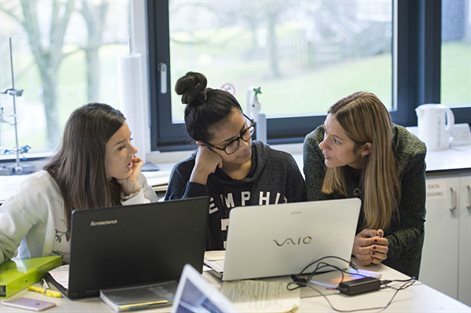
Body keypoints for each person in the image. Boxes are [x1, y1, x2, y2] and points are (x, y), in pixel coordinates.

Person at [0, 103, 158, 264]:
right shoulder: (39, 189)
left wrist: (133, 193)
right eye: (121, 147)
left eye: (130, 140)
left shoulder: (133, 180)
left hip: (111, 282)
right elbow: (2, 243)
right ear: (93, 156)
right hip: (46, 287)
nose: (134, 150)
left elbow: (153, 243)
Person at [165, 72, 306, 250]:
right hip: (209, 277)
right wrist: (199, 176)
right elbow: (175, 245)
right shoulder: (185, 174)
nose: (244, 146)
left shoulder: (281, 165)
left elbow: (306, 230)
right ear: (203, 145)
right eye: (230, 143)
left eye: (244, 131)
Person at [303, 91, 426, 278]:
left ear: (366, 149)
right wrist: (349, 244)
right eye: (327, 131)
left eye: (336, 141)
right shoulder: (314, 145)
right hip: (333, 265)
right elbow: (317, 222)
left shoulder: (410, 153)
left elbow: (414, 227)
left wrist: (384, 246)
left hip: (393, 272)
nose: (323, 144)